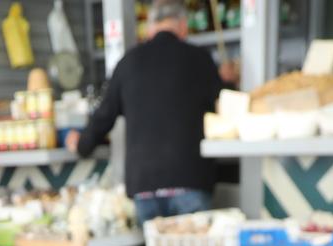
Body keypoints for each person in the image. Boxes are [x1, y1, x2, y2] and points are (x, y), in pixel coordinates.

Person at [68, 0, 235, 225]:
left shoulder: (128, 62)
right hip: (190, 180)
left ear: (149, 28)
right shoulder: (200, 59)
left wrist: (81, 144)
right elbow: (226, 106)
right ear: (183, 26)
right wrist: (231, 83)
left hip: (144, 186)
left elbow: (104, 115)